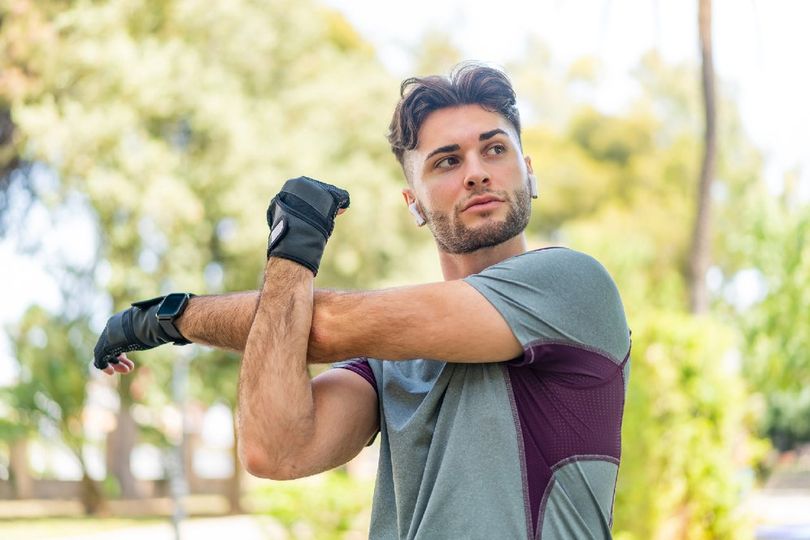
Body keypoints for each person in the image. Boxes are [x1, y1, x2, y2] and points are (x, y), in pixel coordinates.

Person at [94, 63, 631, 539]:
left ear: (528, 171)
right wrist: (288, 260)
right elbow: (275, 449)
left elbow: (320, 325)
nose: (476, 171)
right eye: (446, 161)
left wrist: (168, 318)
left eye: (495, 148)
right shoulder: (389, 361)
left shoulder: (571, 285)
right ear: (413, 202)